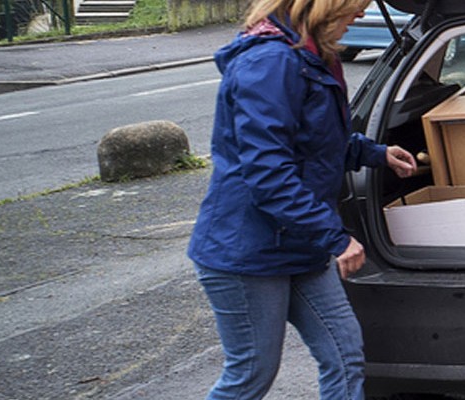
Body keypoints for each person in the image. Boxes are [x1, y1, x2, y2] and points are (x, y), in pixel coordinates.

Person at [188, 0, 417, 396]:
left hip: (296, 242)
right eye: (356, 5)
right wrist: (334, 236)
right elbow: (268, 172)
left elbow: (314, 141)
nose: (361, 15)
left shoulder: (312, 56)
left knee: (344, 355)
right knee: (251, 374)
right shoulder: (270, 63)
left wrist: (375, 154)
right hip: (249, 252)